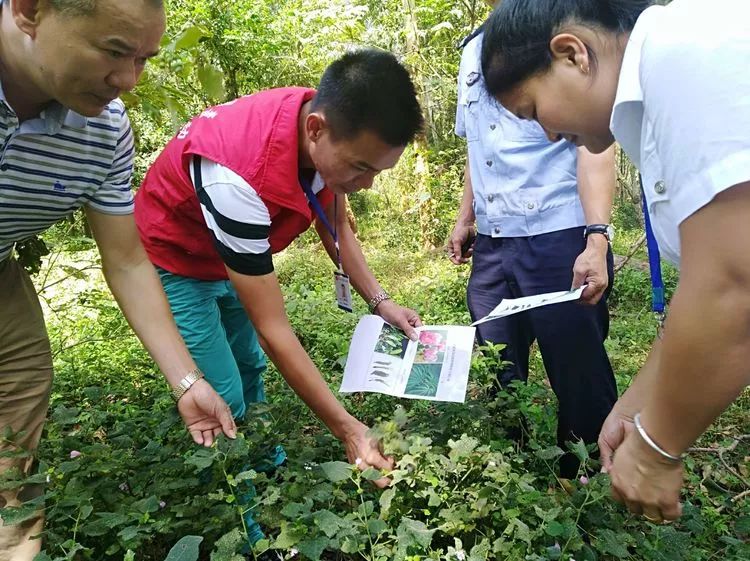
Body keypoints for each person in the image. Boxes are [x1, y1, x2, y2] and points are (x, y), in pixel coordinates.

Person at [480, 0, 750, 523]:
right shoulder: (666, 82)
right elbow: (711, 278)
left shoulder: (689, 56)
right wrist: (632, 406)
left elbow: (734, 284)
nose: (550, 136)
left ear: (572, 54)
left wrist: (656, 447)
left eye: (534, 111)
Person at [134, 49, 424, 522]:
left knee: (248, 364)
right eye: (361, 168)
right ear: (316, 130)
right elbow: (275, 330)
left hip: (233, 254)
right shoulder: (238, 178)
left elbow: (337, 228)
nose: (367, 184)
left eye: (377, 171)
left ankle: (265, 457)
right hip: (178, 259)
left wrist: (380, 301)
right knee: (221, 390)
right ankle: (245, 511)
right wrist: (349, 430)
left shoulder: (322, 131)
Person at [0, 0, 237, 559]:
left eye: (143, 59)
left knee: (16, 436)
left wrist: (186, 381)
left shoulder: (103, 132)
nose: (128, 81)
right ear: (30, 10)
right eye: (112, 52)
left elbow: (128, 260)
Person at [449, 3, 618, 480]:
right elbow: (476, 146)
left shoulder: (561, 35)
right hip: (495, 241)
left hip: (558, 230)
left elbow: (594, 143)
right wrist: (466, 217)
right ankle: (513, 470)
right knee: (497, 362)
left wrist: (597, 239)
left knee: (577, 363)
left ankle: (584, 478)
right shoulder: (473, 51)